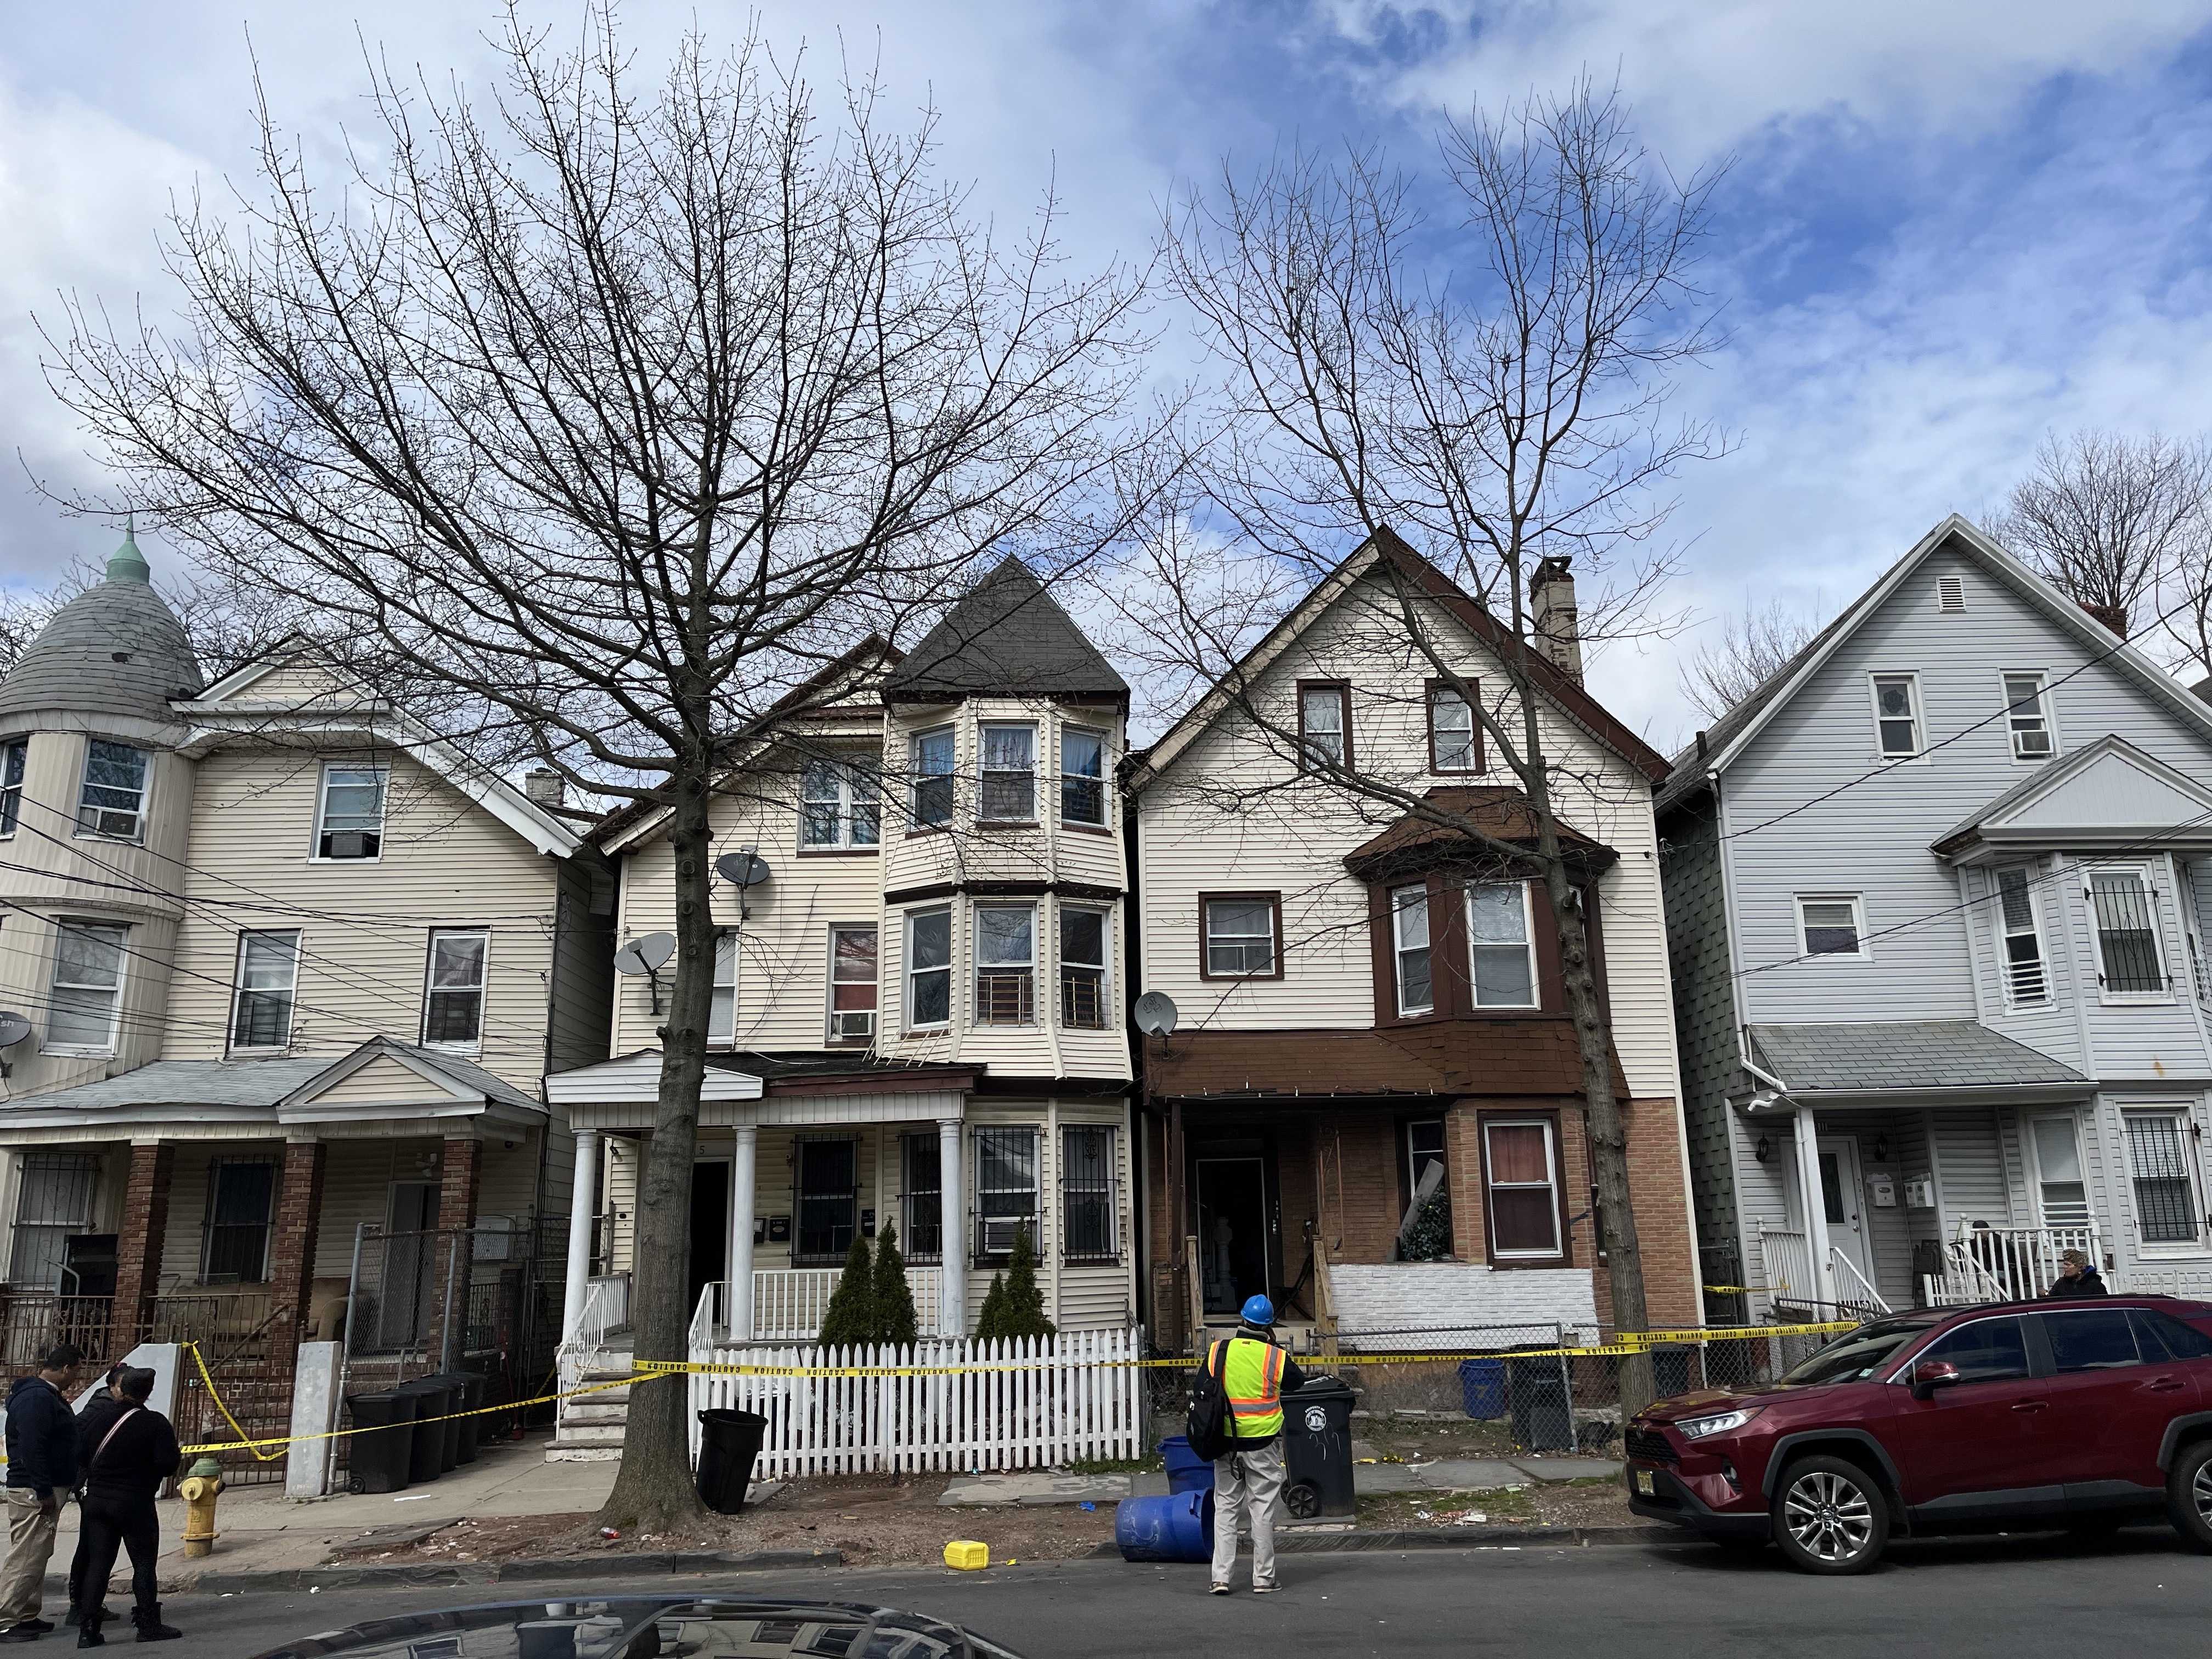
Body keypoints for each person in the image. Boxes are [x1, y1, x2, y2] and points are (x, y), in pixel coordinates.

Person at [70, 1365, 180, 1647]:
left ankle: (88, 1631)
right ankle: (147, 1625)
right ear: (148, 1393)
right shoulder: (155, 1423)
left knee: (98, 1563)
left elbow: (80, 1453)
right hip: (134, 1502)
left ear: (119, 1389)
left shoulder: (100, 1418)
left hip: (96, 1501)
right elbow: (168, 1465)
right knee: (143, 1564)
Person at [1207, 1295, 1306, 1596]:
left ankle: (1220, 1578)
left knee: (1225, 1507)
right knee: (1261, 1509)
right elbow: (1297, 1383)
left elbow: (1206, 1389)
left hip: (1226, 1443)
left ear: (1242, 1320)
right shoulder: (1274, 1357)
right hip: (1263, 1444)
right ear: (1269, 1327)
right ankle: (1263, 1579)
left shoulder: (1218, 1351)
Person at [0, 1342, 84, 1643]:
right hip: (33, 1488)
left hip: (41, 1485)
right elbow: (33, 1446)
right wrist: (43, 1489)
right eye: (76, 1371)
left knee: (37, 1553)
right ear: (65, 1369)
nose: (76, 1378)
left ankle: (25, 1614)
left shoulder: (44, 1396)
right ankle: (5, 1619)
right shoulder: (37, 1398)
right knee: (26, 1555)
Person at [63, 1369, 129, 1632]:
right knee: (91, 1548)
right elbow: (77, 1434)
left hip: (95, 1486)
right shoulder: (102, 1406)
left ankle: (85, 1605)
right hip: (92, 1486)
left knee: (93, 1547)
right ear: (113, 1386)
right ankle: (80, 1606)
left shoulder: (109, 1404)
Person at [2046, 1249, 2111, 1299]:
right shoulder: (2061, 1283)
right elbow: (2051, 1302)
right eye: (2065, 1264)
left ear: (2080, 1267)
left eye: (2068, 1265)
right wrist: (2044, 1295)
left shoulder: (2095, 1285)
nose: (2065, 1267)